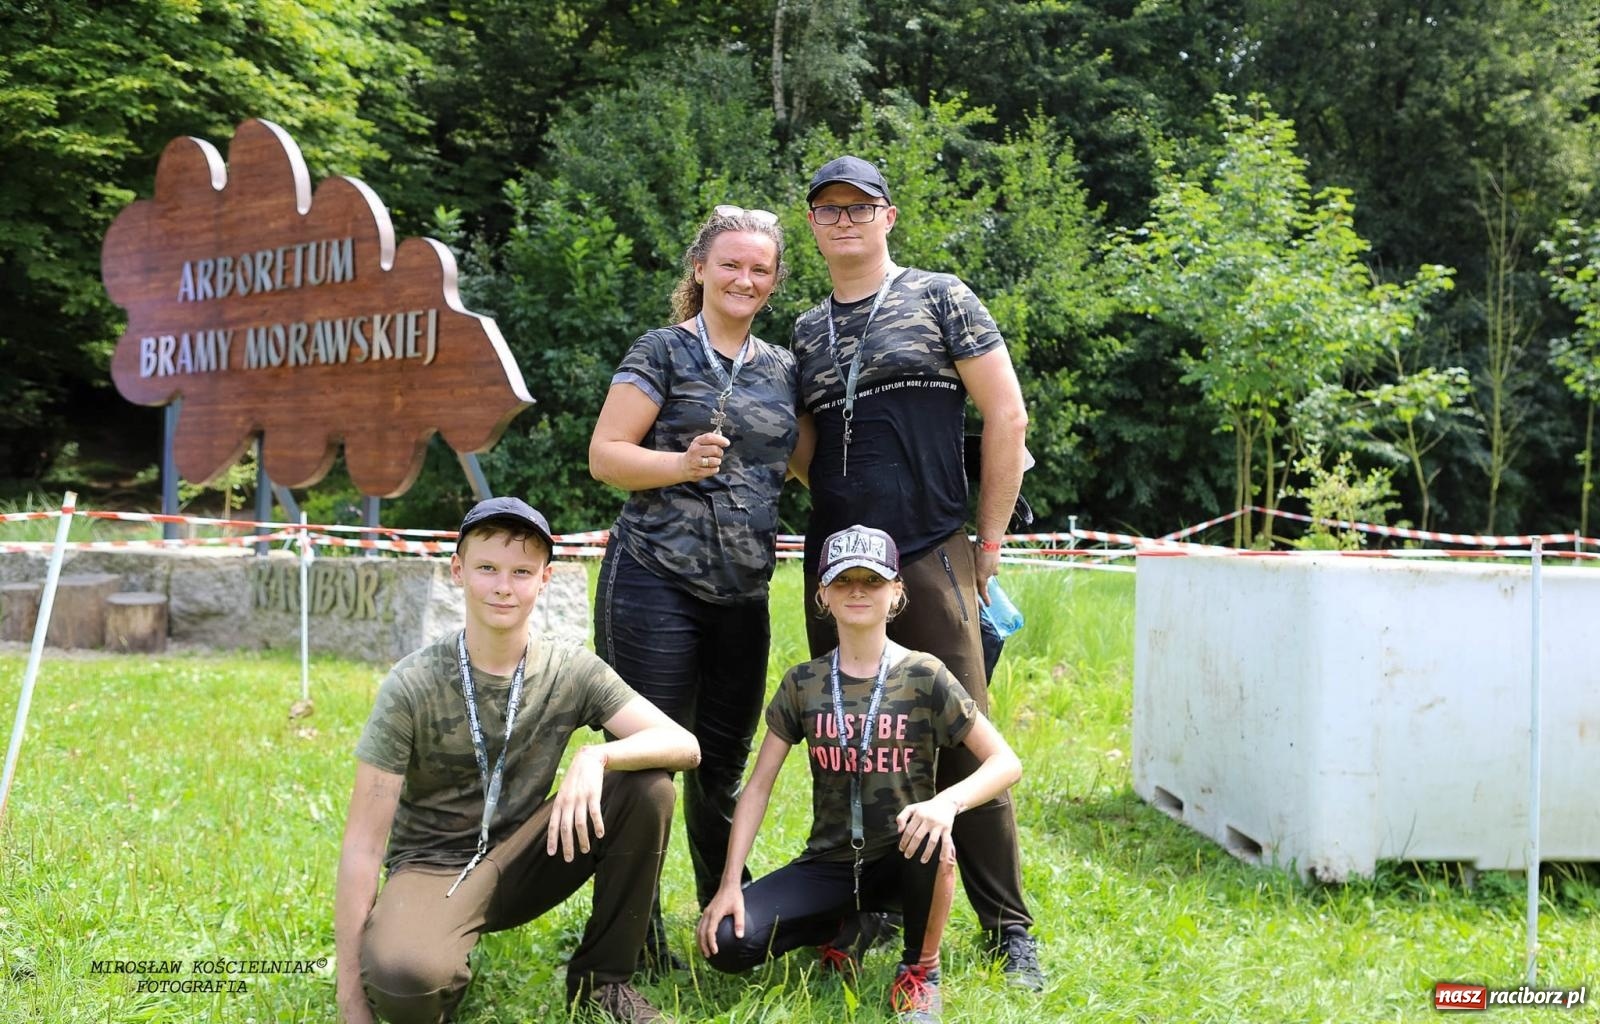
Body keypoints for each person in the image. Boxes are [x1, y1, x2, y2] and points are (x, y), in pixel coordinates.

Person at [790, 156, 1044, 988]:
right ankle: (873, 907)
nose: (845, 220)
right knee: (853, 744)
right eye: (828, 209)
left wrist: (990, 546)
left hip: (933, 551)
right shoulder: (803, 330)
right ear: (813, 224)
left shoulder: (942, 297)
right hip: (835, 566)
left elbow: (1006, 415)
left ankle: (1008, 927)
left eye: (860, 206)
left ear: (888, 216)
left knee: (965, 750)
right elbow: (804, 449)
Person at [334, 497, 701, 1024]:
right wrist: (351, 998)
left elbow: (683, 744)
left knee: (649, 787)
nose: (503, 586)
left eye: (521, 572)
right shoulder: (412, 684)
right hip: (433, 865)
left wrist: (596, 756)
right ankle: (438, 958)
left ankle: (603, 984)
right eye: (487, 568)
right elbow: (363, 845)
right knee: (405, 983)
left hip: (531, 855)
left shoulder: (569, 669)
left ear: (544, 579)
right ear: (458, 570)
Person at [588, 205, 806, 969]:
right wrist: (680, 464)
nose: (745, 278)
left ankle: (726, 920)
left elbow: (813, 463)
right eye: (731, 264)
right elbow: (607, 455)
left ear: (774, 282)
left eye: (760, 268)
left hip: (743, 597)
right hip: (654, 580)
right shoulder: (662, 352)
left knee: (720, 765)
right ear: (701, 270)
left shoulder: (783, 367)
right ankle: (630, 937)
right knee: (649, 762)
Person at [696, 525, 1022, 1024]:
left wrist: (945, 803)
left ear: (896, 591)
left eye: (871, 580)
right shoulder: (803, 683)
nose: (857, 591)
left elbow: (1006, 762)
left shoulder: (925, 674)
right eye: (843, 580)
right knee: (725, 945)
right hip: (829, 863)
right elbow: (759, 786)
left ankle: (920, 971)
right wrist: (728, 885)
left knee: (935, 841)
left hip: (904, 857)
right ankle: (850, 924)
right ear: (822, 594)